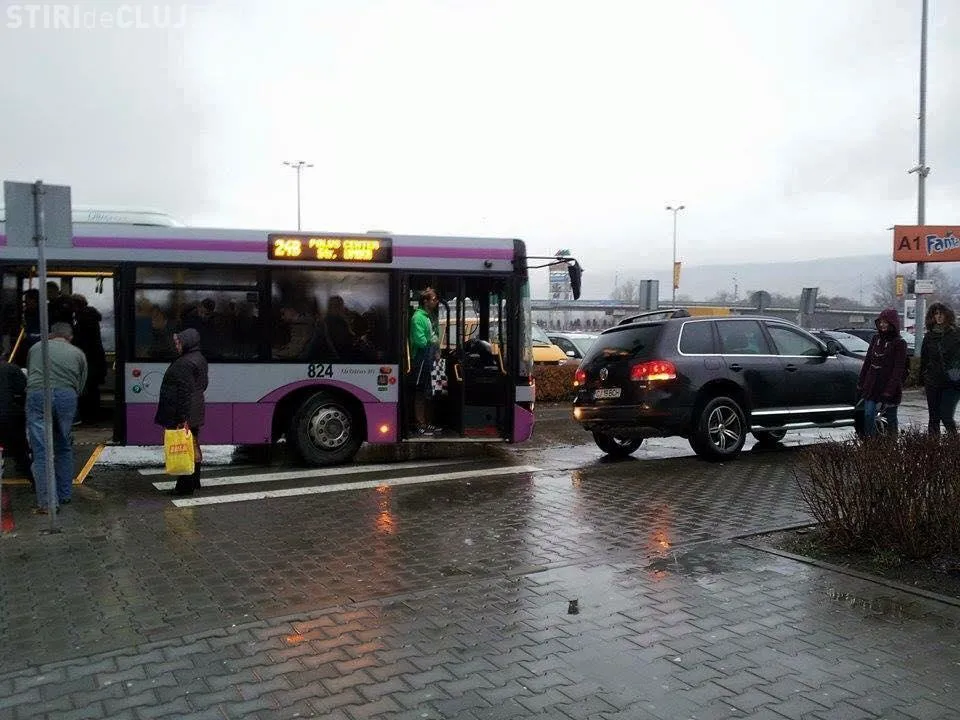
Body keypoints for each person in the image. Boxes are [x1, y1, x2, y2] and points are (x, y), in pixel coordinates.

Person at [25, 322, 87, 513]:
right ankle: (64, 494)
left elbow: (30, 372)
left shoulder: (36, 348)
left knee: (42, 450)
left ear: (50, 335)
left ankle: (47, 503)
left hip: (38, 394)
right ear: (70, 337)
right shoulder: (78, 353)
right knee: (63, 445)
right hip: (67, 396)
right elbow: (81, 383)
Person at [154, 328, 208, 495]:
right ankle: (195, 480)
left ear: (187, 343)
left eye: (179, 342)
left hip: (184, 412)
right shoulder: (199, 358)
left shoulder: (185, 363)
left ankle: (185, 487)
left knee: (184, 449)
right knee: (192, 444)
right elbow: (203, 384)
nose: (176, 345)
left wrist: (182, 419)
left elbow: (183, 392)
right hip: (195, 409)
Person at [857, 308, 908, 438]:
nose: (882, 325)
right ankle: (871, 442)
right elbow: (867, 362)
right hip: (872, 386)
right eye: (881, 322)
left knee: (891, 417)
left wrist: (889, 391)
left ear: (892, 323)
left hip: (889, 387)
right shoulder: (875, 339)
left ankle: (892, 443)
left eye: (886, 322)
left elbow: (898, 369)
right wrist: (861, 383)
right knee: (868, 414)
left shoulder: (899, 343)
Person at [919, 301, 960, 436]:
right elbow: (924, 359)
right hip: (933, 380)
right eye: (936, 313)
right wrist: (923, 379)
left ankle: (954, 444)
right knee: (933, 417)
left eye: (941, 313)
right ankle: (933, 446)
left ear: (948, 315)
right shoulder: (929, 336)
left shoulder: (956, 334)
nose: (939, 316)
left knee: (946, 416)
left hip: (952, 381)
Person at [408, 287, 440, 436]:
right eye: (434, 299)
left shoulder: (428, 316)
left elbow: (434, 335)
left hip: (429, 357)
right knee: (420, 391)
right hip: (421, 358)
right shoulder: (418, 318)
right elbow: (420, 341)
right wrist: (433, 341)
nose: (436, 301)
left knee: (429, 391)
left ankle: (427, 422)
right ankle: (419, 424)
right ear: (425, 301)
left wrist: (436, 349)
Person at [71, 294, 107, 424]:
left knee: (87, 389)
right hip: (95, 358)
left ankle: (89, 416)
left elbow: (81, 340)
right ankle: (93, 416)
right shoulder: (91, 316)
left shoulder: (84, 318)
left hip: (89, 359)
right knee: (92, 389)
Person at [0, 358, 33, 488]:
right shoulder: (12, 369)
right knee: (20, 451)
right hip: (11, 414)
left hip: (9, 412)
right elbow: (24, 389)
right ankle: (36, 483)